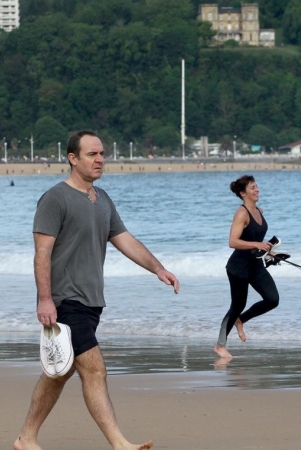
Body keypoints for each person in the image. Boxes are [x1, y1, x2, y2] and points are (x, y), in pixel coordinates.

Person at [15, 131, 180, 450]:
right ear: (72, 158)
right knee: (94, 368)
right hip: (65, 300)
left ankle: (26, 437)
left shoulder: (102, 199)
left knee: (59, 373)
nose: (100, 159)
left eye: (102, 153)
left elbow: (125, 240)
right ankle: (119, 443)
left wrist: (158, 268)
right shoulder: (55, 198)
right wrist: (46, 299)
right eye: (92, 154)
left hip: (92, 302)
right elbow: (42, 253)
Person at [214, 175, 280, 360]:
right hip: (238, 267)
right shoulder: (241, 213)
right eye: (252, 188)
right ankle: (220, 345)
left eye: (256, 186)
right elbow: (233, 242)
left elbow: (256, 242)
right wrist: (257, 245)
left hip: (255, 264)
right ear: (243, 193)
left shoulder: (259, 210)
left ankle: (241, 320)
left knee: (272, 299)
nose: (257, 190)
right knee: (237, 305)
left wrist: (269, 252)